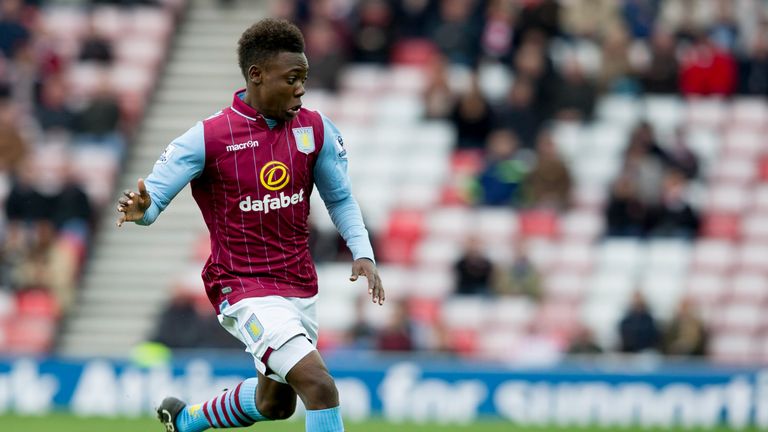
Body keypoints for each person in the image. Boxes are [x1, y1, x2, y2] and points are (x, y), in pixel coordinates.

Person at [116, 19, 385, 432]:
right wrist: (143, 208)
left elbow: (340, 198)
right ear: (256, 75)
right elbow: (151, 201)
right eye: (292, 79)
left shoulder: (315, 129)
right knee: (319, 386)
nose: (301, 89)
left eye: (304, 79)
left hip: (298, 283)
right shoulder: (209, 137)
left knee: (274, 404)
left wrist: (362, 251)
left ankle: (186, 420)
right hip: (243, 286)